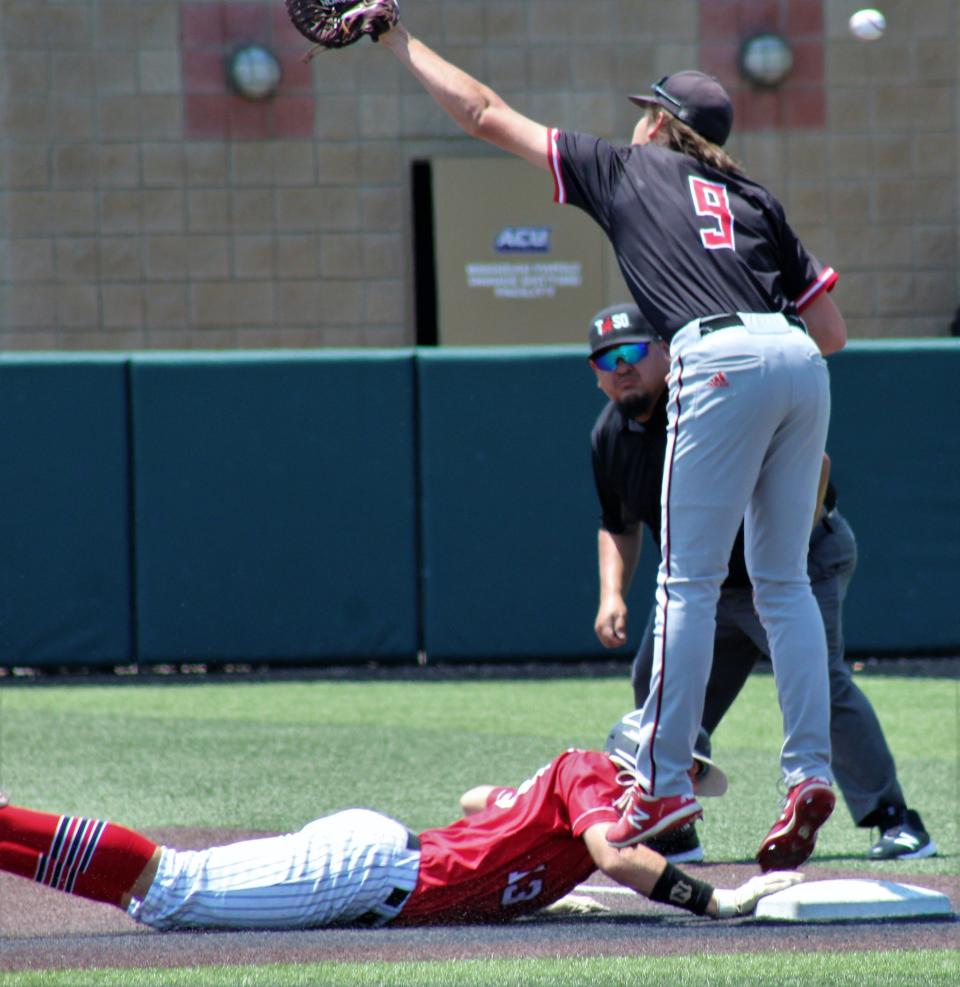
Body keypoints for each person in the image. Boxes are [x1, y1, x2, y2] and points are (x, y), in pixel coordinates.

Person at [376, 15, 847, 867]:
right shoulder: (753, 197)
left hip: (718, 357)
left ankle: (662, 785)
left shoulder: (626, 166)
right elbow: (832, 329)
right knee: (784, 583)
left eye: (645, 112)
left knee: (686, 581)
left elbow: (482, 112)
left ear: (662, 125)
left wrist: (395, 39)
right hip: (798, 360)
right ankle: (810, 770)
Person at [588, 303, 937, 864]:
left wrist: (778, 563)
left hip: (796, 562)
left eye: (633, 351)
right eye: (607, 359)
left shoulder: (711, 396)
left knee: (820, 682)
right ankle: (674, 823)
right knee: (654, 673)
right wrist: (611, 594)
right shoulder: (610, 435)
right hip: (709, 588)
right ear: (595, 373)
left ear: (665, 351)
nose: (622, 367)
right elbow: (618, 522)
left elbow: (813, 468)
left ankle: (897, 821)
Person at [0, 728, 799, 930]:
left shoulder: (575, 798)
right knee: (170, 888)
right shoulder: (594, 775)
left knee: (161, 899)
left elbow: (478, 796)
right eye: (687, 772)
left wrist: (537, 880)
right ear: (644, 758)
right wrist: (714, 902)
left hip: (382, 862)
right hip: (371, 872)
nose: (691, 792)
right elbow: (617, 854)